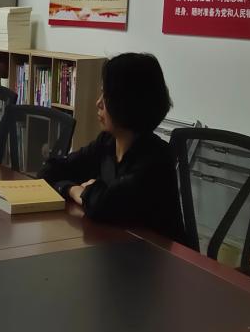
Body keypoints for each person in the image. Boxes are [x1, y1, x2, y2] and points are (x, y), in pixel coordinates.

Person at [39, 52, 184, 242]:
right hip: (116, 247)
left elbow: (103, 205)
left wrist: (84, 190)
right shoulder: (106, 142)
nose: (98, 103)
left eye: (106, 96)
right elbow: (49, 171)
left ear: (128, 103)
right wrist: (74, 189)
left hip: (157, 255)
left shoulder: (157, 158)